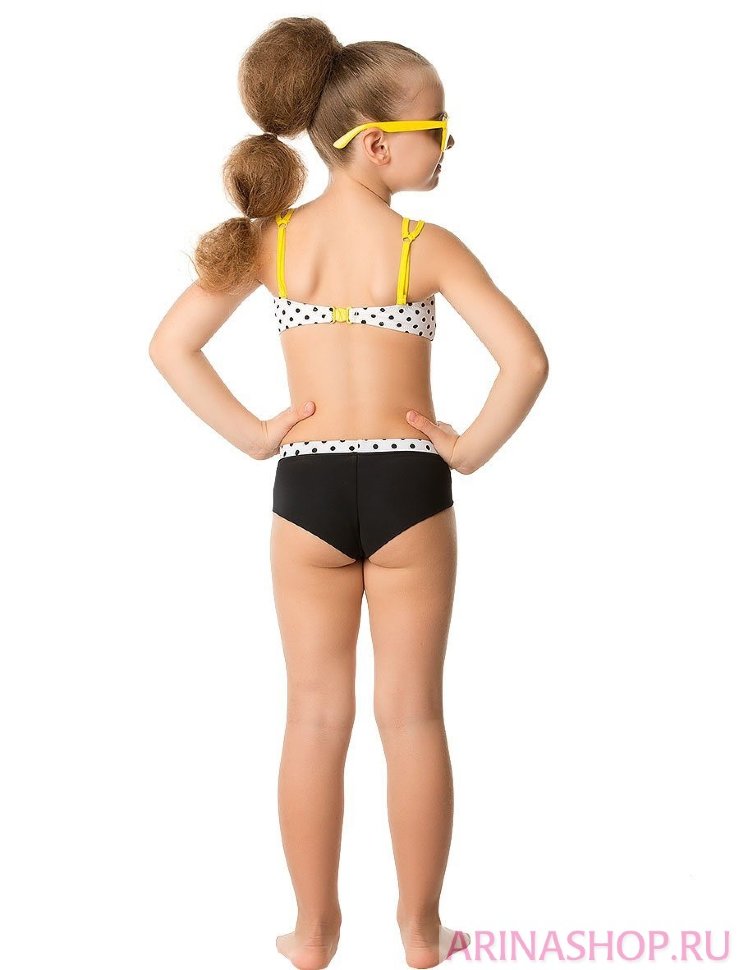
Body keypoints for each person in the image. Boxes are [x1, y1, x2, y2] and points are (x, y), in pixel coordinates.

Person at [149, 16, 549, 970]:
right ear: (375, 143)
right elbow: (526, 361)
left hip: (308, 490)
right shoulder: (424, 247)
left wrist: (256, 435)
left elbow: (170, 346)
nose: (446, 145)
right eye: (436, 130)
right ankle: (420, 932)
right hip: (411, 484)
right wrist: (466, 450)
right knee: (411, 716)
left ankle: (313, 932)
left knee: (314, 715)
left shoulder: (273, 244)